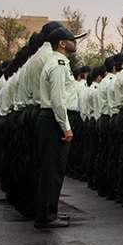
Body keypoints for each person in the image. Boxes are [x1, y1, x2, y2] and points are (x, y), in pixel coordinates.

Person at [34, 27, 85, 229]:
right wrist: (66, 127)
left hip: (52, 120)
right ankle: (46, 216)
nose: (75, 42)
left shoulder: (58, 62)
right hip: (54, 121)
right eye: (72, 39)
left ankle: (49, 211)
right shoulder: (59, 64)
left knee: (53, 169)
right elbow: (57, 99)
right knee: (52, 170)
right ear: (62, 43)